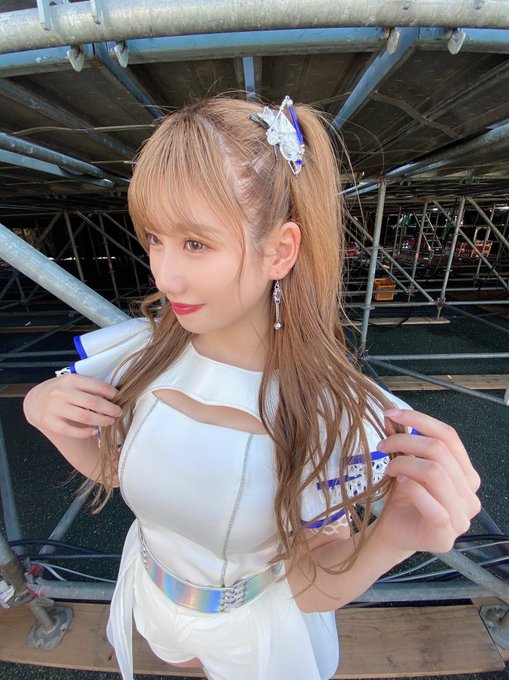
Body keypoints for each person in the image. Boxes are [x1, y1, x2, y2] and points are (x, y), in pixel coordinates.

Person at [23, 95, 481, 680]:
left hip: (256, 636)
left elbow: (310, 584)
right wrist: (45, 413)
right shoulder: (144, 353)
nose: (164, 275)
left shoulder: (323, 411)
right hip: (149, 593)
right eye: (154, 238)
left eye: (195, 244)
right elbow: (120, 469)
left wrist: (392, 537)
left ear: (279, 250)